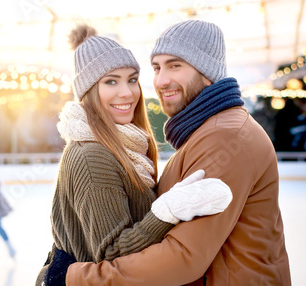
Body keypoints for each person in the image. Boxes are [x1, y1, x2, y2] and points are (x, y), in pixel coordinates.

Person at [59, 20, 291, 285]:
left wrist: (73, 278)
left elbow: (182, 257)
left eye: (175, 65)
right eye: (156, 68)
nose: (161, 80)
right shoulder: (206, 132)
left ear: (207, 72)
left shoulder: (224, 137)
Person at [38, 24, 233, 286]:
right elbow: (112, 255)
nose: (127, 92)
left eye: (131, 79)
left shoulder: (125, 146)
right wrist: (166, 211)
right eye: (110, 82)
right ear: (87, 92)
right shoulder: (92, 155)